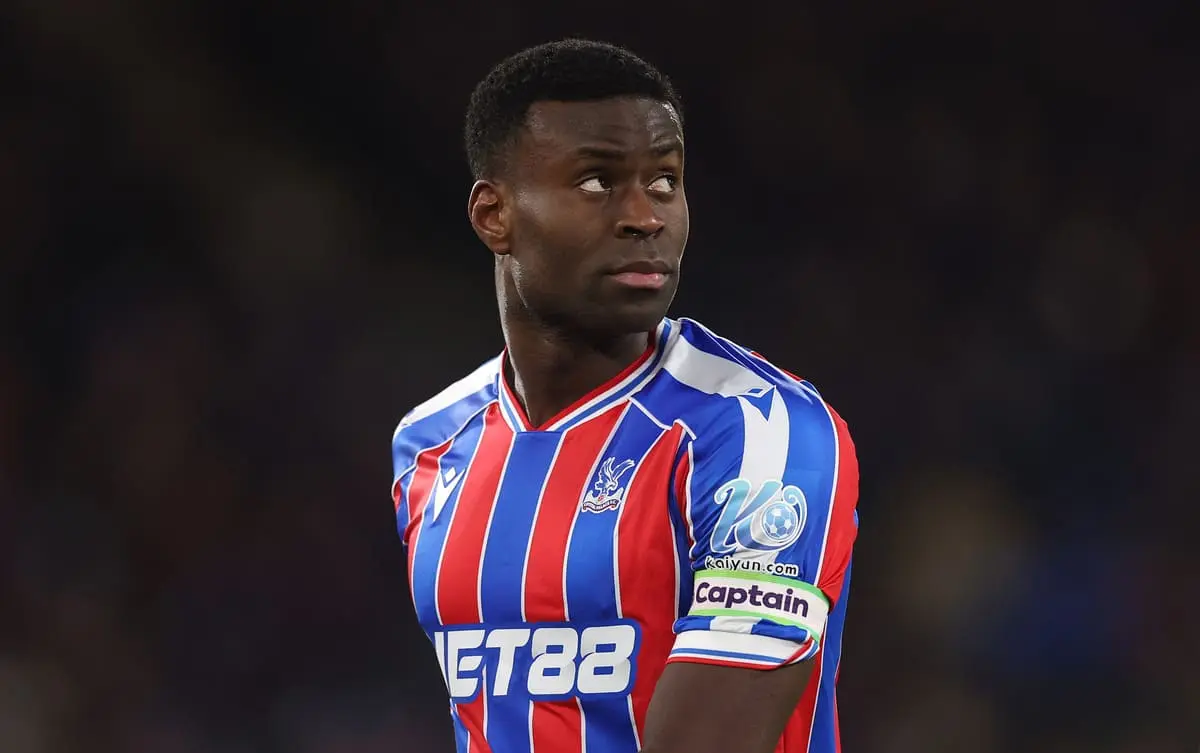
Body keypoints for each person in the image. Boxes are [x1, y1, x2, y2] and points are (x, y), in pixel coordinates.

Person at [391, 38, 859, 753]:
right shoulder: (430, 444)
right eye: (596, 182)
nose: (645, 215)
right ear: (494, 216)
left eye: (665, 180)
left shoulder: (759, 432)